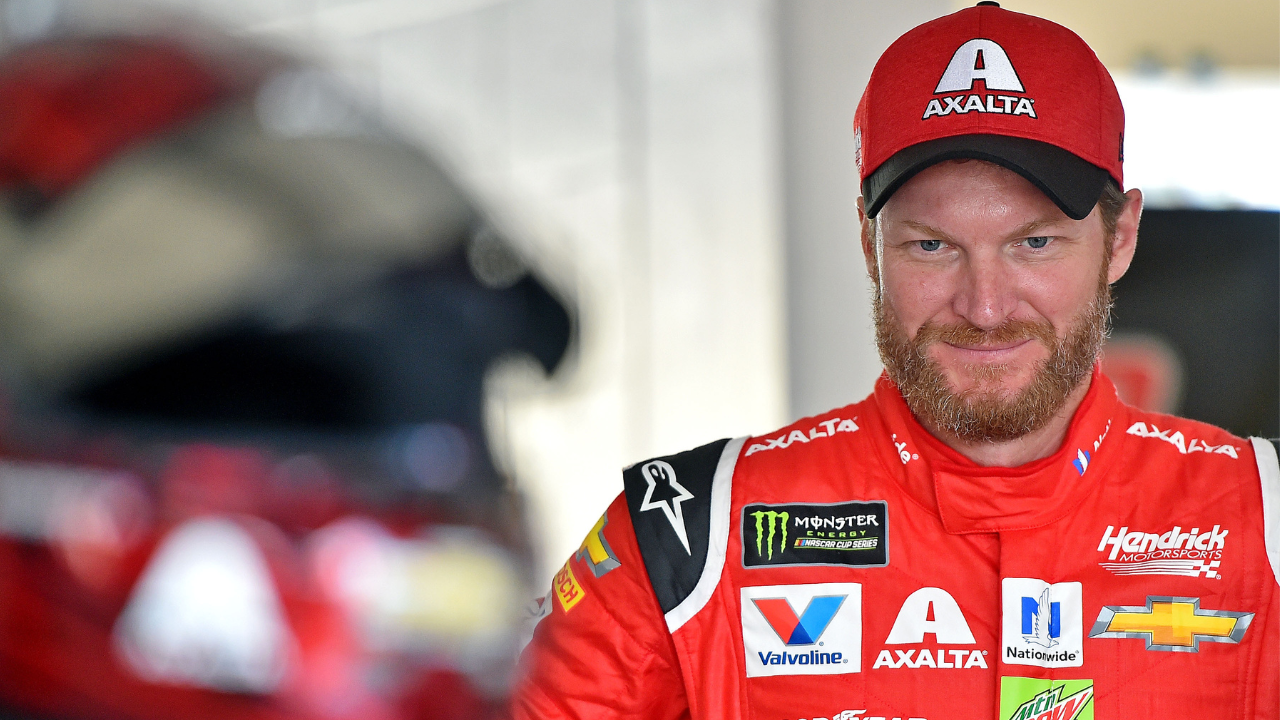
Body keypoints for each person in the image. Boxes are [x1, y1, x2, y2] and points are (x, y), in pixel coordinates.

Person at [510, 4, 1279, 719]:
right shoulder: (687, 536)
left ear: (1120, 238)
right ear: (867, 242)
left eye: (1034, 242)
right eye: (932, 246)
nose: (984, 307)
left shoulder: (1267, 522)